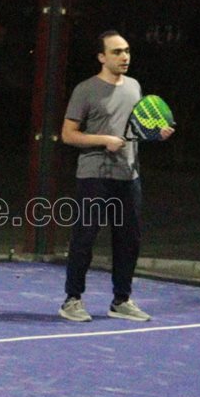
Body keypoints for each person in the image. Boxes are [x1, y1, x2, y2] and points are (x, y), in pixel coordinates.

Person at [59, 30, 173, 323]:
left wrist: (156, 133)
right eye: (117, 52)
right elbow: (68, 135)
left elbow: (134, 128)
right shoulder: (85, 90)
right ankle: (72, 300)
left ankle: (121, 301)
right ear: (101, 57)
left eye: (127, 51)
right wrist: (104, 140)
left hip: (129, 176)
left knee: (128, 241)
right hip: (94, 176)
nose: (124, 57)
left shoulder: (134, 86)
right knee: (85, 238)